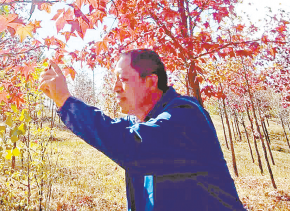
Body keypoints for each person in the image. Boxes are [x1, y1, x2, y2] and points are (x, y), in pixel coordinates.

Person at [39, 48, 246, 210]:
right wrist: (62, 104)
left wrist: (66, 101)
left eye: (123, 79)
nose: (115, 88)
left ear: (151, 81)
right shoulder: (143, 124)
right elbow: (112, 130)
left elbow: (131, 145)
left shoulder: (185, 117)